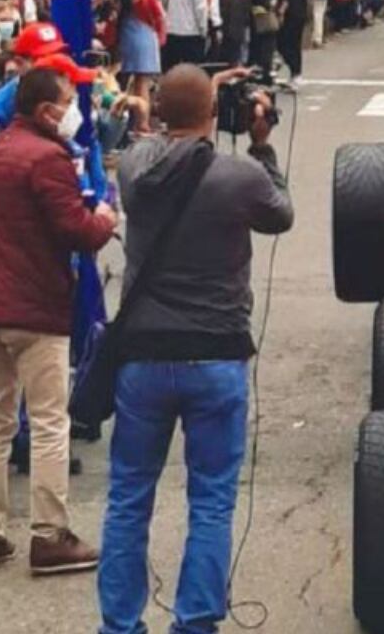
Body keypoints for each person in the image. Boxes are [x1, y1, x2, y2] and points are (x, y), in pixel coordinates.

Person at [97, 65, 293, 633]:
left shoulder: (135, 167)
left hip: (143, 355)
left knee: (129, 498)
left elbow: (151, 144)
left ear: (160, 114)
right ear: (214, 114)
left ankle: (120, 624)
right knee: (210, 500)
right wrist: (261, 143)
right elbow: (281, 214)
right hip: (215, 354)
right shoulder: (238, 176)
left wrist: (155, 113)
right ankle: (194, 622)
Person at [0, 65, 118, 575]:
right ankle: (49, 535)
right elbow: (77, 229)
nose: (75, 108)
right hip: (34, 307)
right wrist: (106, 219)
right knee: (51, 421)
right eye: (69, 100)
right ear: (46, 109)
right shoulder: (48, 158)